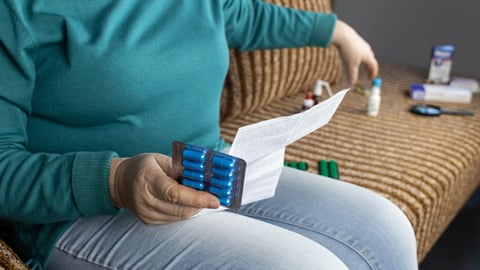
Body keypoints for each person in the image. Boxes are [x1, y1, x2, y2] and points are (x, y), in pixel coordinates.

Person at [0, 0, 418, 269]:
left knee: (387, 226)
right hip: (82, 211)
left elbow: (242, 16)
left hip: (212, 165)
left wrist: (336, 31)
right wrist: (114, 180)